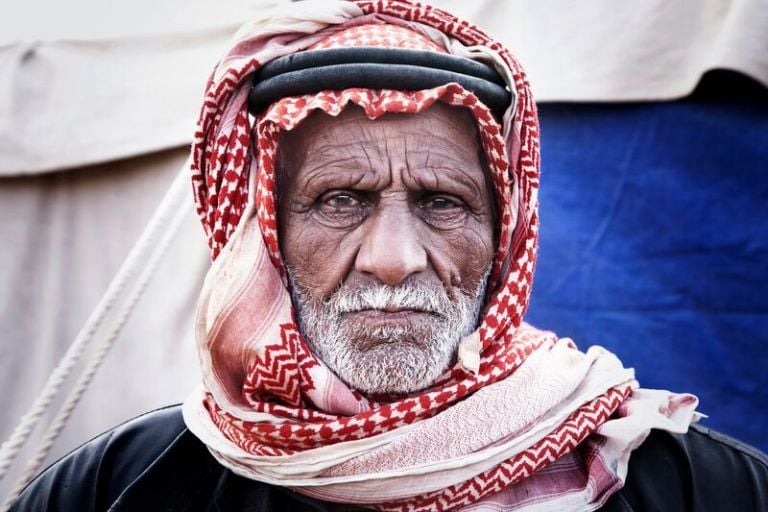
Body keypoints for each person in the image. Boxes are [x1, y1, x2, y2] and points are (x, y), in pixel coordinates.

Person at [10, 1, 768, 511]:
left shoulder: (695, 488)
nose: (395, 258)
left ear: (505, 236)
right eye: (341, 201)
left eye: (444, 203)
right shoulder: (123, 490)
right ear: (266, 236)